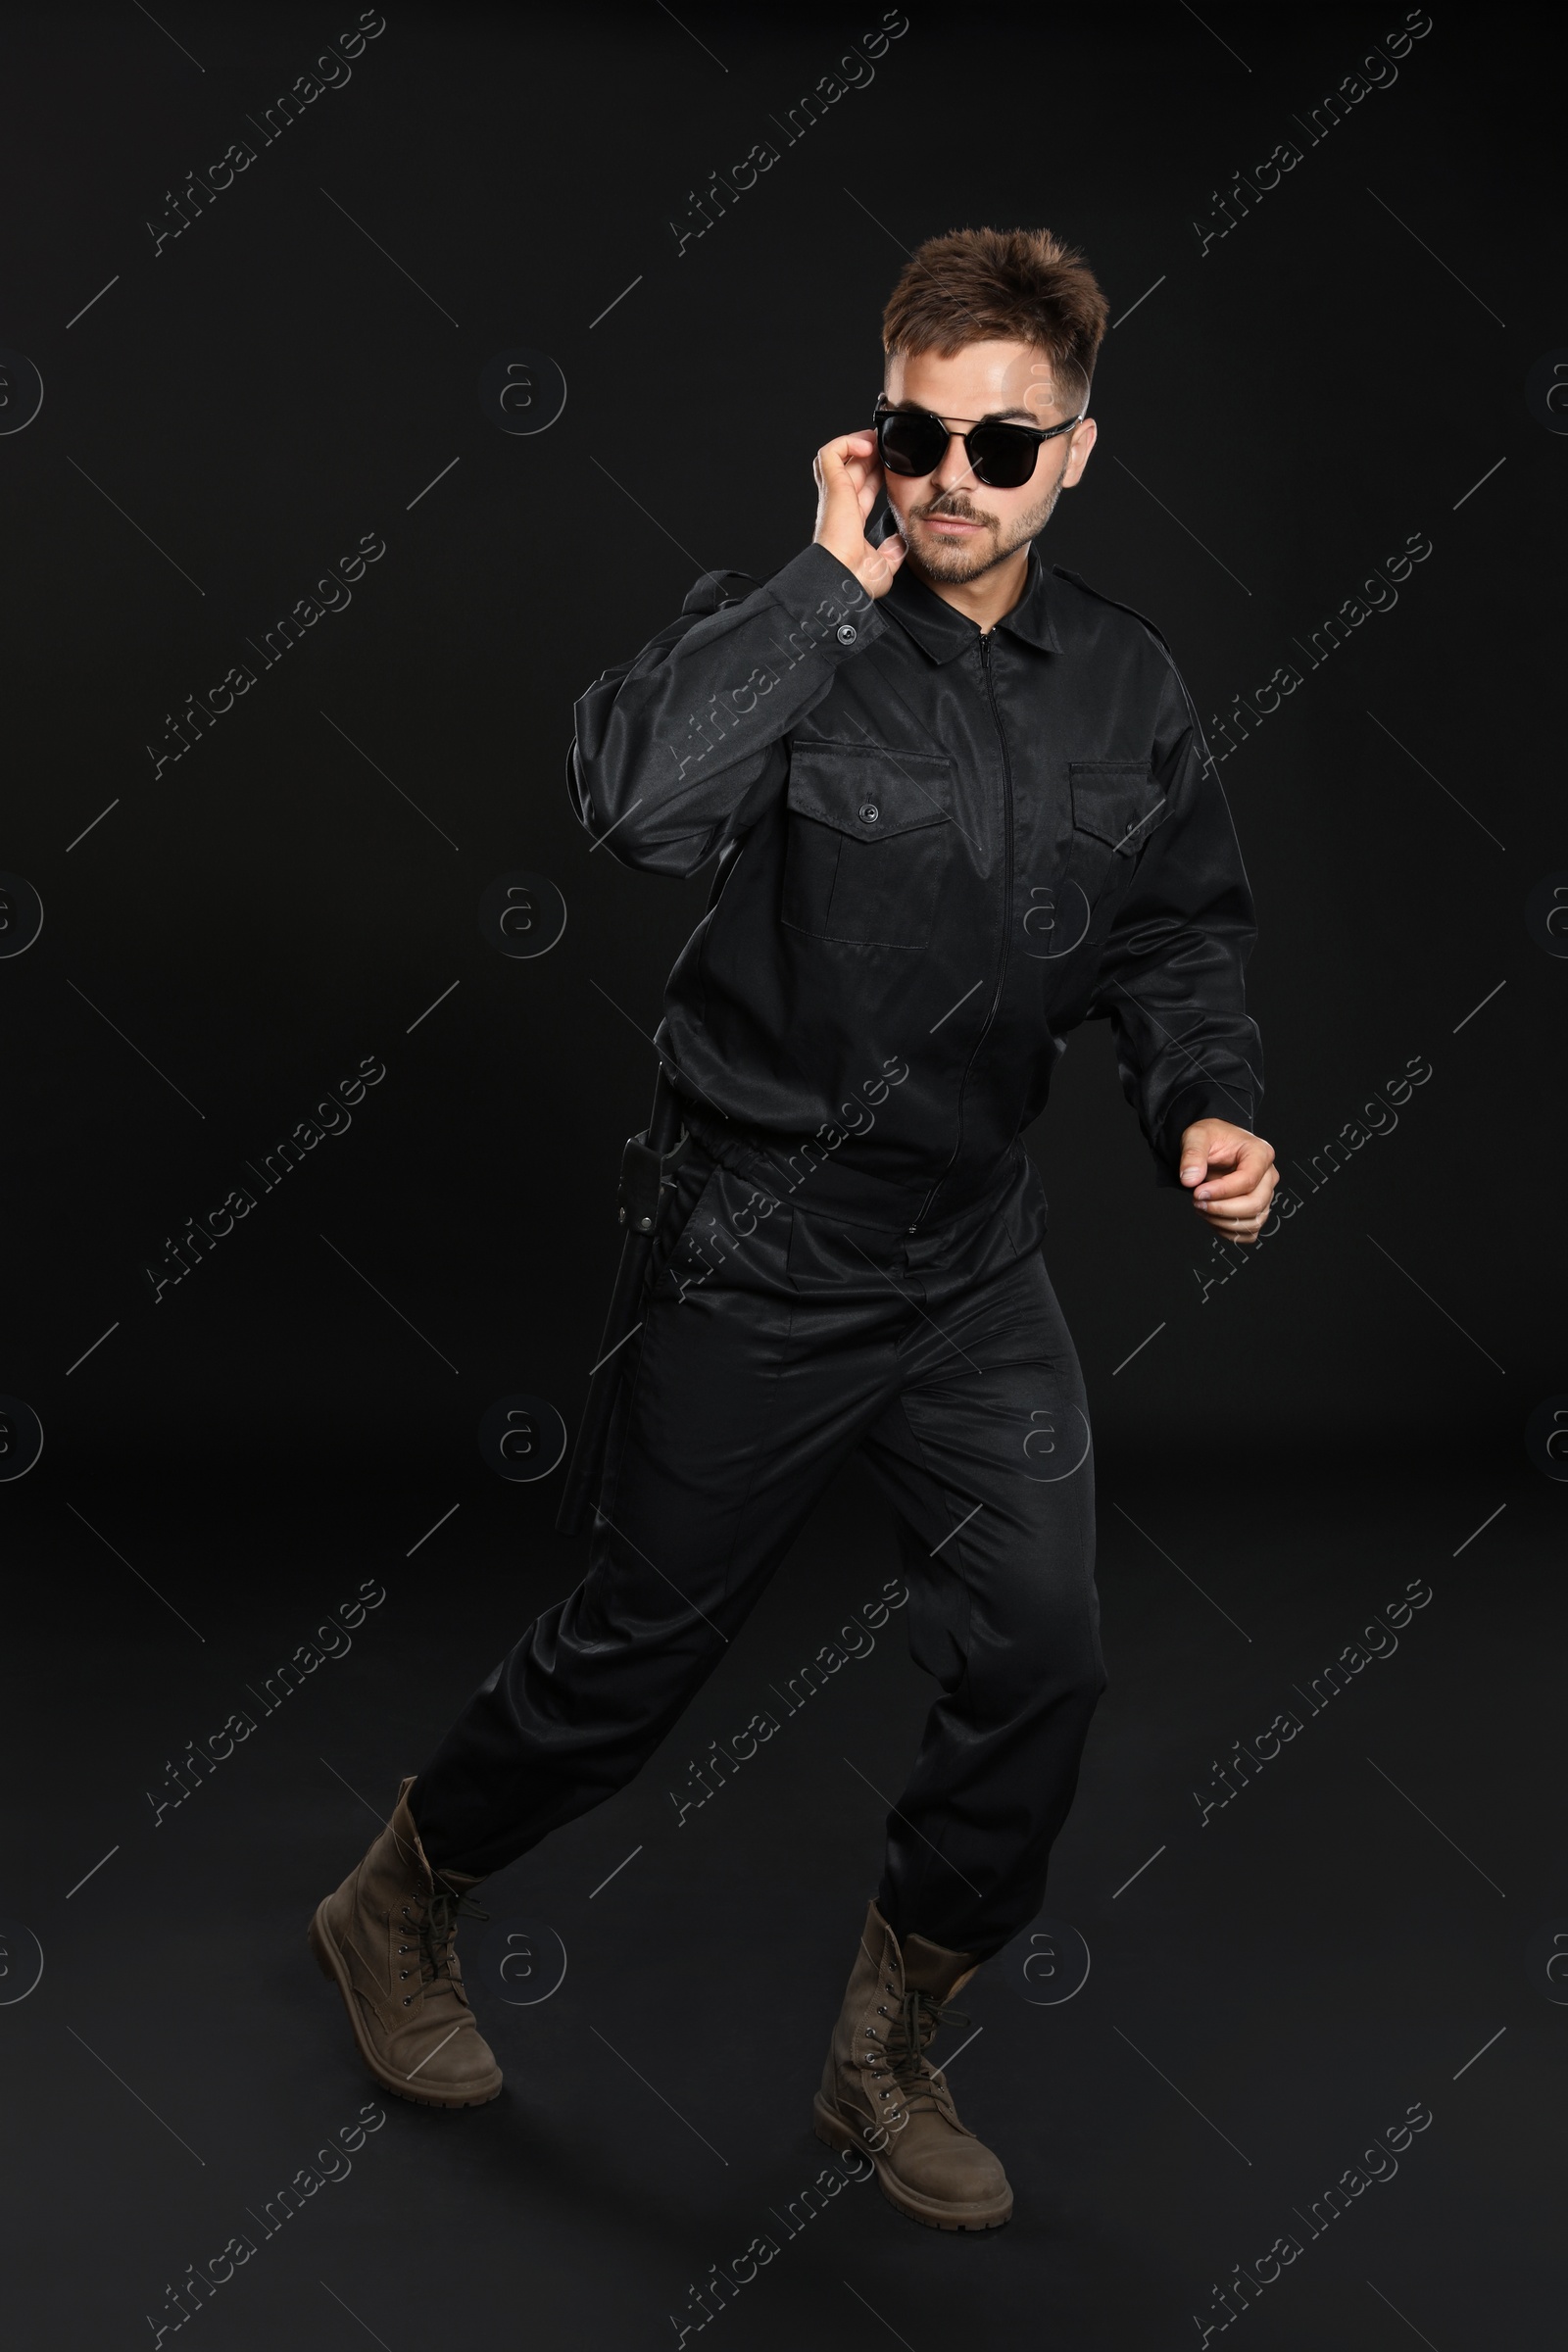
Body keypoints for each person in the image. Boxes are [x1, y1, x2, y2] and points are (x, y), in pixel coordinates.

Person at [310, 225, 1277, 2230]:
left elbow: (1178, 930)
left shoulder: (1123, 687)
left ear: (1074, 453)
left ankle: (880, 2050)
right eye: (912, 434)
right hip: (751, 1242)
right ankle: (394, 1904)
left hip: (968, 1260)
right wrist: (820, 583)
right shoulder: (786, 629)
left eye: (998, 449)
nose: (947, 478)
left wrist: (1205, 1106)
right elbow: (641, 803)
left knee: (1040, 1659)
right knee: (627, 1665)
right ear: (869, 430)